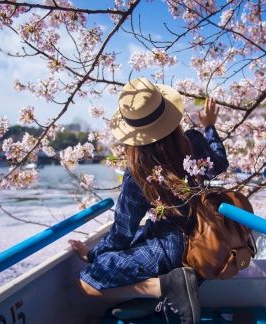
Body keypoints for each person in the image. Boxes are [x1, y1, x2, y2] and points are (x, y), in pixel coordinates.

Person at [68, 77, 229, 323]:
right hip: (206, 244)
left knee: (87, 282)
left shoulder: (139, 171)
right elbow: (219, 164)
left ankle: (165, 288)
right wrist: (209, 127)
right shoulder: (194, 141)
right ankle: (164, 296)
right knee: (136, 240)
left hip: (171, 252)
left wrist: (93, 255)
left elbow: (122, 232)